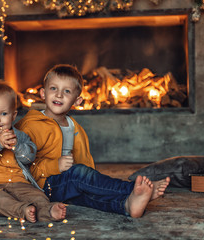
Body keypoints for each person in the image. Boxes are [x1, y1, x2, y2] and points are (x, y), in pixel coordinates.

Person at [15, 64, 170, 218]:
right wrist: (56, 166)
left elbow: (84, 163)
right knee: (77, 173)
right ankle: (131, 188)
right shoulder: (32, 125)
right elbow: (22, 166)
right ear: (42, 93)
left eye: (67, 91)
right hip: (41, 186)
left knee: (88, 198)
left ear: (77, 101)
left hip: (65, 185)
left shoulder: (75, 128)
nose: (59, 95)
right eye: (53, 88)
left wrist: (92, 185)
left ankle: (127, 205)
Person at [0, 80, 66, 223]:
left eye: (4, 113)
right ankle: (22, 210)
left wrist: (17, 146)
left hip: (20, 184)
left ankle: (48, 210)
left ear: (13, 115)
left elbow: (29, 157)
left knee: (38, 196)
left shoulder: (19, 136)